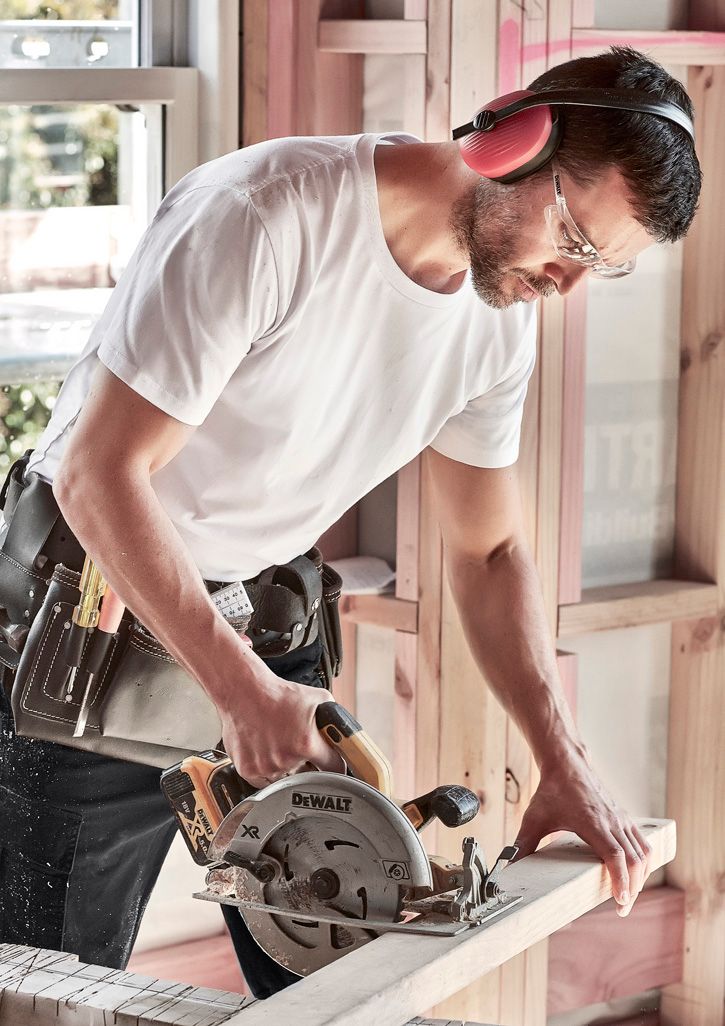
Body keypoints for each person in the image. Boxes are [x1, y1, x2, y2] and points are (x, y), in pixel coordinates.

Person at [0, 45, 701, 999]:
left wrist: (560, 757)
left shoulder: (498, 313)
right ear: (509, 141)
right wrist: (241, 692)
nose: (565, 285)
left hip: (263, 616)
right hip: (98, 613)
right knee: (55, 985)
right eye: (574, 243)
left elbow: (488, 549)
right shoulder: (266, 214)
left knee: (340, 960)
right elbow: (100, 474)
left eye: (600, 270)